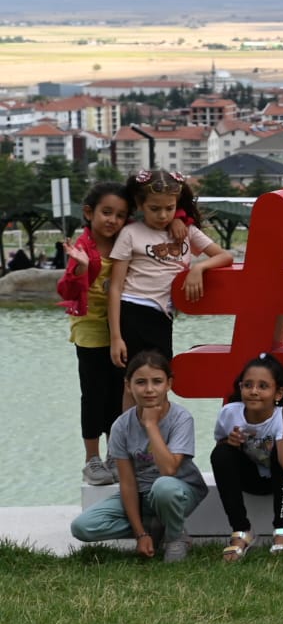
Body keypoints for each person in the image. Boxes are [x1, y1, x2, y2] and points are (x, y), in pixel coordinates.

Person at [68, 350, 206, 563]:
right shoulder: (121, 426)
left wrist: (151, 425)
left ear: (168, 384)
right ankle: (152, 527)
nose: (149, 389)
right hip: (141, 495)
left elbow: (169, 470)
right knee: (82, 527)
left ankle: (175, 536)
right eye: (141, 382)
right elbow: (128, 483)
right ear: (128, 386)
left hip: (179, 490)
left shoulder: (181, 419)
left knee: (164, 487)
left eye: (157, 381)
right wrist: (140, 533)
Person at [107, 170, 230, 369]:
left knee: (161, 377)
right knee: (133, 379)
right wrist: (115, 338)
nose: (163, 215)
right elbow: (115, 287)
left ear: (177, 204)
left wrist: (198, 269)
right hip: (132, 310)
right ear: (140, 205)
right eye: (154, 208)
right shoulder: (130, 233)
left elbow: (224, 256)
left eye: (169, 208)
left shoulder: (187, 232)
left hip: (163, 315)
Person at [209, 353, 283, 561]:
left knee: (279, 451)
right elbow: (222, 453)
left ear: (278, 393)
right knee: (220, 454)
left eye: (263, 386)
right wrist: (229, 443)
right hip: (257, 477)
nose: (254, 391)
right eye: (247, 385)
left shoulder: (281, 415)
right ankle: (241, 531)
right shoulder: (229, 413)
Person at [59, 181, 131, 486]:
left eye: (120, 214)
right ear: (89, 212)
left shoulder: (126, 241)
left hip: (120, 326)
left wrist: (181, 219)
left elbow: (165, 213)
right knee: (93, 394)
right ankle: (92, 459)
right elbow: (66, 290)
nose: (112, 220)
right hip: (90, 328)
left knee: (119, 393)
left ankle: (114, 454)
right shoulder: (82, 247)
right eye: (106, 212)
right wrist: (79, 268)